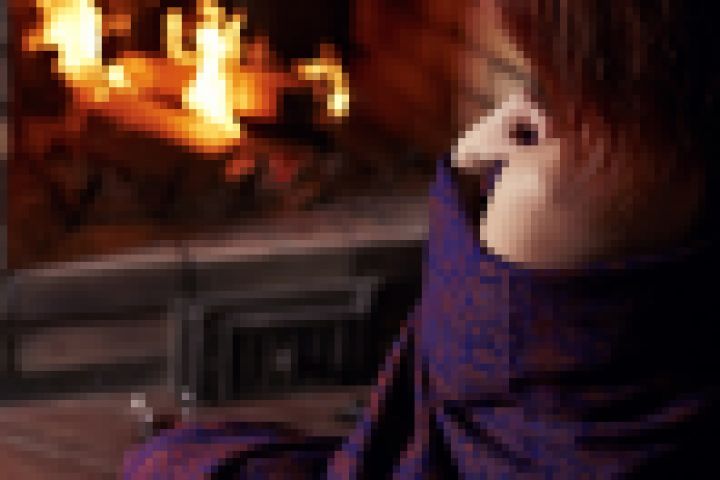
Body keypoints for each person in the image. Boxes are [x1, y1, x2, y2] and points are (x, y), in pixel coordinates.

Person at [124, 1, 719, 478]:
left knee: (173, 463)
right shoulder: (684, 151)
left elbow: (453, 372)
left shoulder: (552, 191)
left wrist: (457, 175)